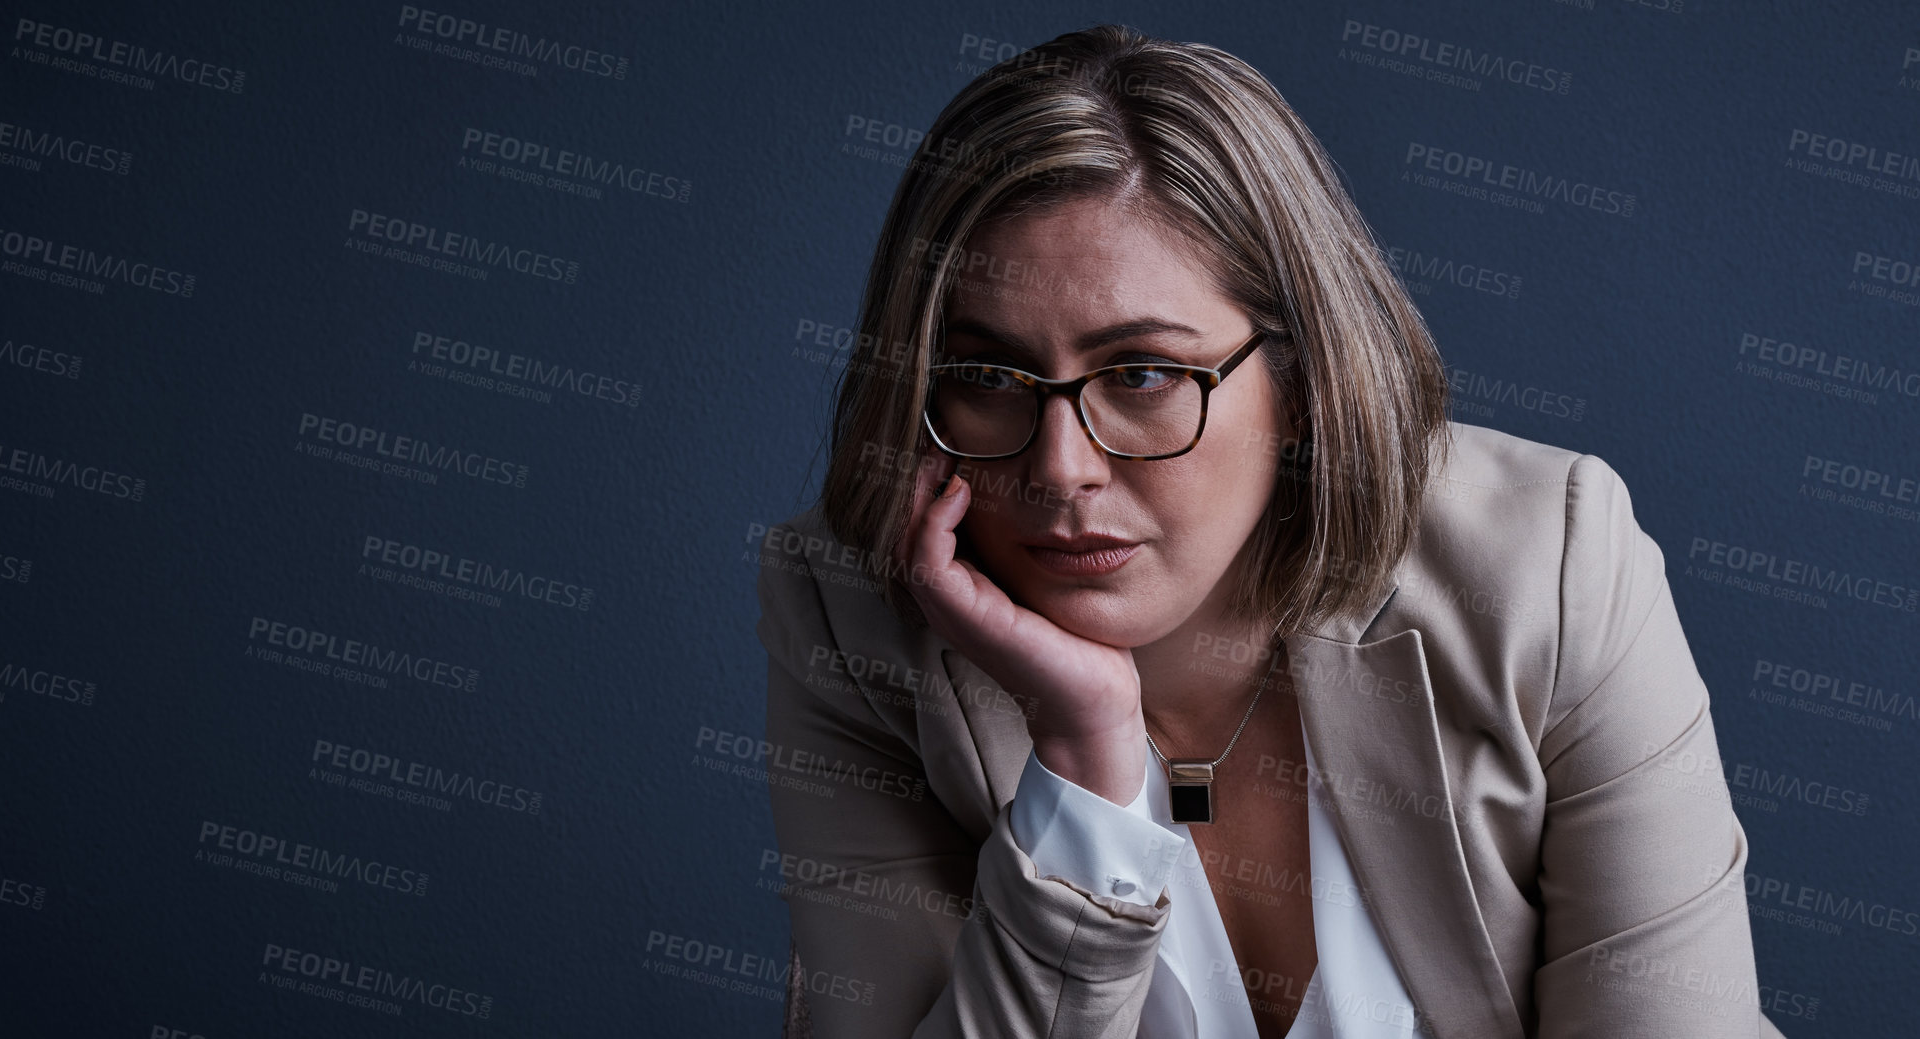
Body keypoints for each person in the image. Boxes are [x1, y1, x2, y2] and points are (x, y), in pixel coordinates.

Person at [754, 24, 1783, 1039]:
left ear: (1300, 379)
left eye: (1144, 374)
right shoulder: (855, 618)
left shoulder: (1548, 566)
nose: (1060, 467)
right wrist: (1080, 775)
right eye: (986, 377)